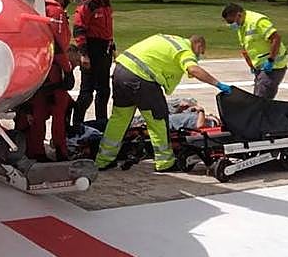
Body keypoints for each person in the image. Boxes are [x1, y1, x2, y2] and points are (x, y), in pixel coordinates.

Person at [95, 34, 232, 173]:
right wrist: (218, 84)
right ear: (198, 45)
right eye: (200, 52)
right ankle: (165, 162)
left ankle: (103, 160)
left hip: (121, 71)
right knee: (158, 120)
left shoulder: (171, 39)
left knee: (119, 119)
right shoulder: (184, 50)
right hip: (141, 79)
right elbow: (193, 69)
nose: (199, 56)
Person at [24, 0, 79, 162]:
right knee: (58, 111)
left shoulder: (40, 7)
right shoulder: (56, 12)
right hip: (54, 70)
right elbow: (58, 45)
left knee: (37, 111)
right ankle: (60, 149)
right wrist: (68, 70)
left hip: (39, 67)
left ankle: (35, 149)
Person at [221, 3, 288, 99]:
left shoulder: (257, 21)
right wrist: (251, 65)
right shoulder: (242, 26)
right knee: (259, 98)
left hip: (273, 66)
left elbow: (276, 38)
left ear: (239, 15)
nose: (231, 25)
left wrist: (271, 60)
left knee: (261, 100)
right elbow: (246, 47)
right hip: (260, 67)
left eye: (231, 22)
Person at [72, 0, 115, 125]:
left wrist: (112, 46)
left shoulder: (105, 4)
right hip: (91, 49)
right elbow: (78, 29)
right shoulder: (88, 5)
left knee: (104, 90)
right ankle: (77, 124)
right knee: (87, 92)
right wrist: (84, 54)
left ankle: (101, 123)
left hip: (104, 50)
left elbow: (106, 29)